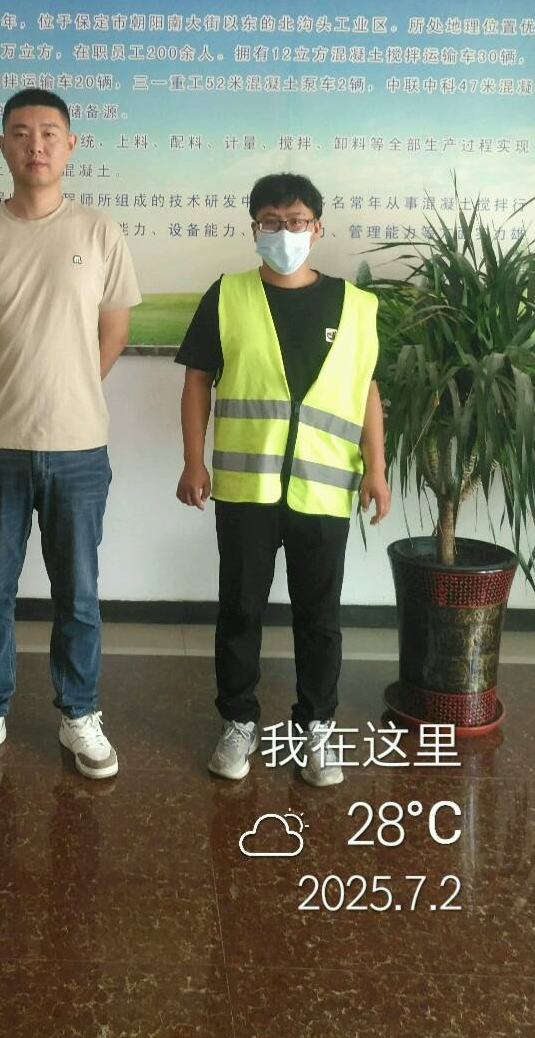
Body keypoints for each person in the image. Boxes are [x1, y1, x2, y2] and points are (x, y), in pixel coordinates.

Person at [0, 87, 140, 780]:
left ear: (71, 144)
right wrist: (5, 383)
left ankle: (80, 712)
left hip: (79, 449)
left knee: (77, 593)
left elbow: (114, 332)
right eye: (20, 133)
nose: (36, 145)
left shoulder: (100, 233)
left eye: (49, 132)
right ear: (2, 145)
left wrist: (70, 385)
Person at [174, 172, 390, 785]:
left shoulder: (357, 306)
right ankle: (238, 722)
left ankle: (316, 727)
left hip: (325, 487)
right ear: (254, 229)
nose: (284, 233)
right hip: (247, 487)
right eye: (271, 222)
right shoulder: (228, 295)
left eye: (296, 222)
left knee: (319, 617)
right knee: (240, 609)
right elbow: (197, 380)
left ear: (317, 229)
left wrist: (377, 468)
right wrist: (193, 460)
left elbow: (368, 391)